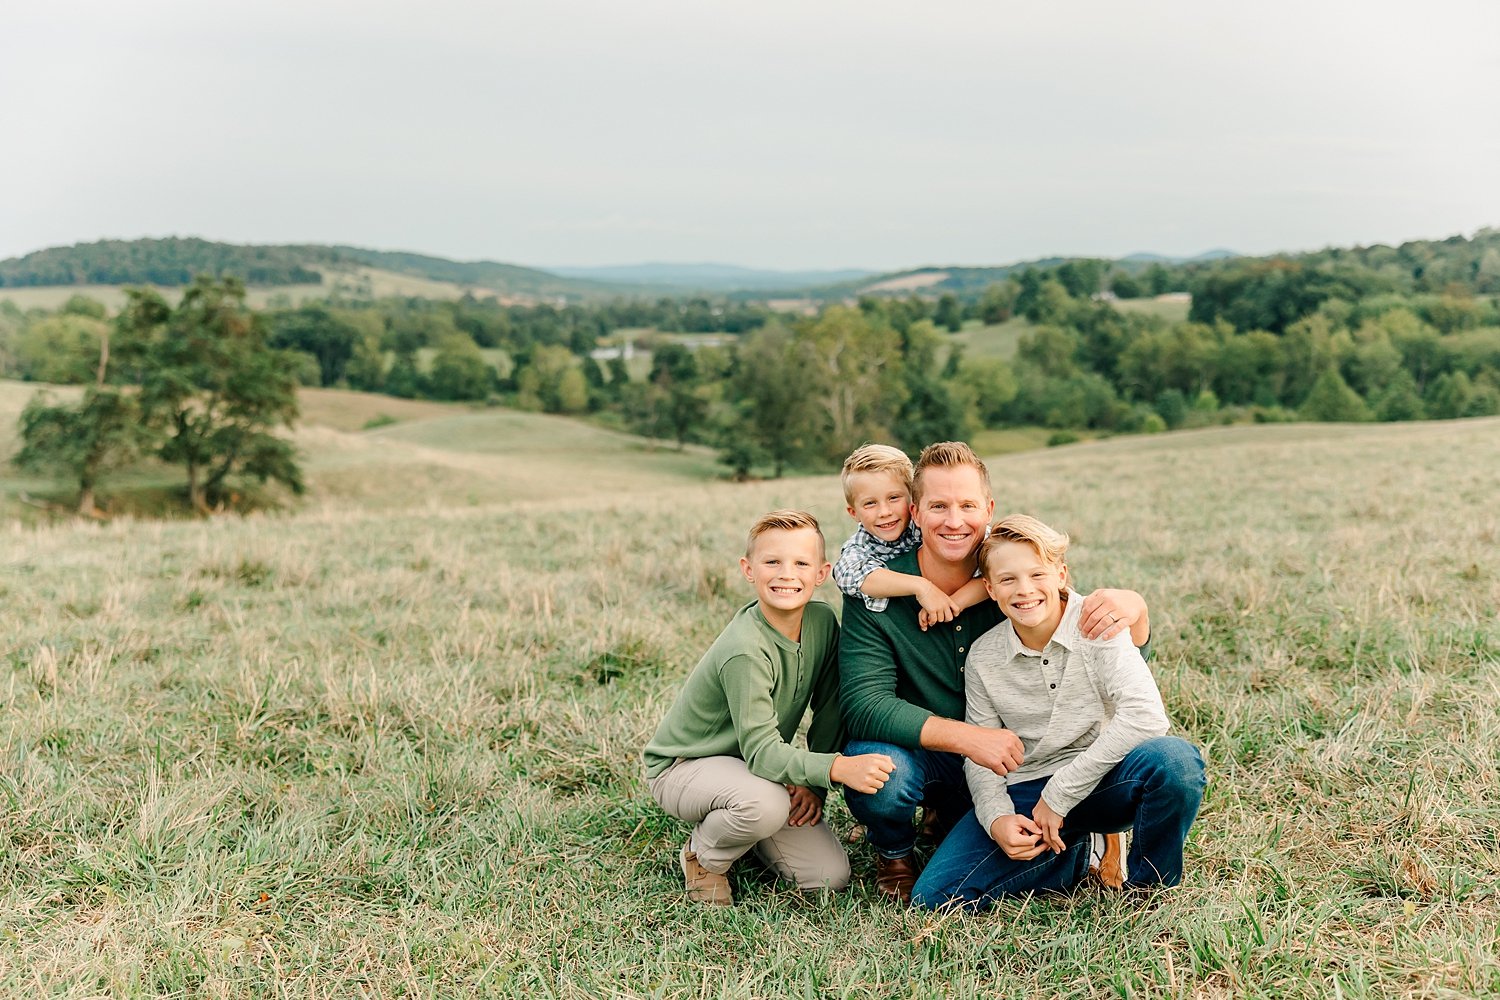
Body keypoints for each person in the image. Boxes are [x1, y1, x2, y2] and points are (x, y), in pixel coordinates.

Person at [839, 442, 1151, 903]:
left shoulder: (1013, 574)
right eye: (939, 506)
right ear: (916, 512)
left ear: (989, 509)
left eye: (967, 506)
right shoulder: (879, 588)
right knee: (878, 766)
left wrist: (1137, 610)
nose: (954, 521)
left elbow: (1100, 646)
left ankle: (1065, 834)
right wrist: (966, 738)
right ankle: (895, 852)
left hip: (1021, 762)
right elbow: (864, 706)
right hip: (938, 754)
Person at [911, 515, 1205, 909]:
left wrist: (1060, 795)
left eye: (1037, 574)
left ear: (1061, 574)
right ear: (990, 589)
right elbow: (980, 755)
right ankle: (1081, 851)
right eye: (1009, 579)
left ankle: (1148, 890)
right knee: (934, 898)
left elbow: (1146, 717)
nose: (1025, 590)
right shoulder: (983, 655)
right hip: (1028, 788)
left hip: (1102, 775)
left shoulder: (1097, 622)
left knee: (1176, 762)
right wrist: (997, 819)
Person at [643, 510, 897, 905]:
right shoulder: (746, 649)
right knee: (764, 803)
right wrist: (837, 768)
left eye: (800, 563)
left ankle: (750, 831)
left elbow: (829, 710)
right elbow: (762, 751)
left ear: (821, 572)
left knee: (827, 877)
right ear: (749, 569)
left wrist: (812, 784)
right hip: (686, 767)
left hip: (757, 769)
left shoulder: (822, 621)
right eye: (772, 562)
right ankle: (704, 855)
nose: (786, 574)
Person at [832, 444, 990, 629]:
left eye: (894, 498)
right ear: (853, 512)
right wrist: (922, 587)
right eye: (870, 503)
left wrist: (953, 603)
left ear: (912, 502)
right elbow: (848, 576)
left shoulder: (922, 526)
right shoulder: (861, 546)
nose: (884, 512)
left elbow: (997, 572)